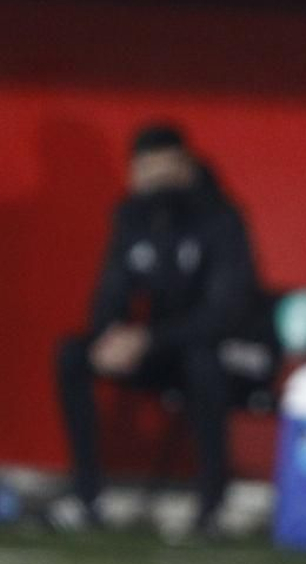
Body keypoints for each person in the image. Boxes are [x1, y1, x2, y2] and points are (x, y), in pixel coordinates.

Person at [52, 122, 261, 539]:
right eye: (148, 169)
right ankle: (87, 497)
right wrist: (110, 334)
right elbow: (111, 289)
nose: (157, 179)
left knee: (204, 363)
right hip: (156, 349)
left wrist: (149, 338)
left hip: (225, 349)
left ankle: (211, 506)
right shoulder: (131, 218)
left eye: (166, 168)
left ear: (186, 166)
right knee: (72, 355)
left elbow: (225, 311)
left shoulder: (220, 218)